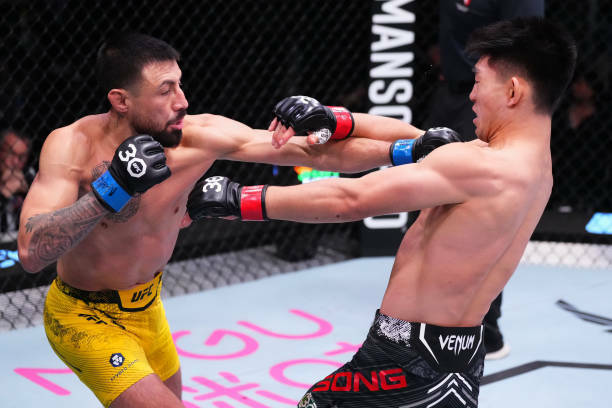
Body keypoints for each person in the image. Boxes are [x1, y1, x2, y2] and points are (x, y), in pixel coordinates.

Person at [16, 32, 442, 408]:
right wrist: (109, 191)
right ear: (121, 100)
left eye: (179, 84)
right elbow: (31, 252)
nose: (182, 100)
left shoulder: (198, 136)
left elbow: (318, 154)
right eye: (165, 90)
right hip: (82, 314)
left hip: (148, 306)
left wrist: (406, 150)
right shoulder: (72, 146)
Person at [188, 17, 577, 407]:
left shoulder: (479, 165)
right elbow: (425, 142)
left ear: (513, 90)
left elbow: (350, 200)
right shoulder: (535, 168)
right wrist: (337, 118)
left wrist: (239, 199)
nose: (471, 96)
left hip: (405, 359)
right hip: (460, 360)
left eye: (478, 82)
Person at [423, 0, 545, 360]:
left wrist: (502, 109)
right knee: (429, 204)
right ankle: (436, 313)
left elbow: (527, 48)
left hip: (491, 104)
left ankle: (484, 329)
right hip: (451, 92)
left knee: (479, 215)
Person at [0, 129, 32, 233]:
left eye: (21, 157)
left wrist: (29, 193)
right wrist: (4, 194)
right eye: (10, 153)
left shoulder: (29, 175)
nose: (15, 161)